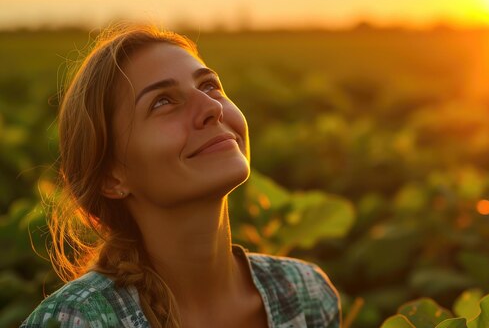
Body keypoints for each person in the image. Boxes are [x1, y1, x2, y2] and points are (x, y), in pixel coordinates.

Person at [21, 24, 341, 328]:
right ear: (112, 178)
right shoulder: (77, 320)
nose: (211, 108)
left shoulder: (306, 294)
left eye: (209, 85)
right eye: (163, 102)